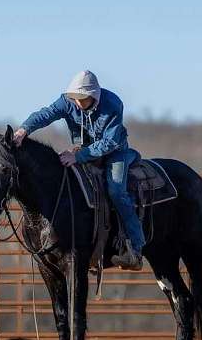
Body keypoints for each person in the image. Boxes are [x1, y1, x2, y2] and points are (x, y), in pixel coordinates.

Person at [13, 70, 145, 270]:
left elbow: (109, 141)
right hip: (81, 149)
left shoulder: (113, 104)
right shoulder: (68, 100)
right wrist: (24, 129)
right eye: (73, 98)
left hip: (114, 152)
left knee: (117, 190)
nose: (76, 102)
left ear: (93, 97)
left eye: (81, 99)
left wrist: (77, 156)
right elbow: (46, 114)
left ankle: (135, 247)